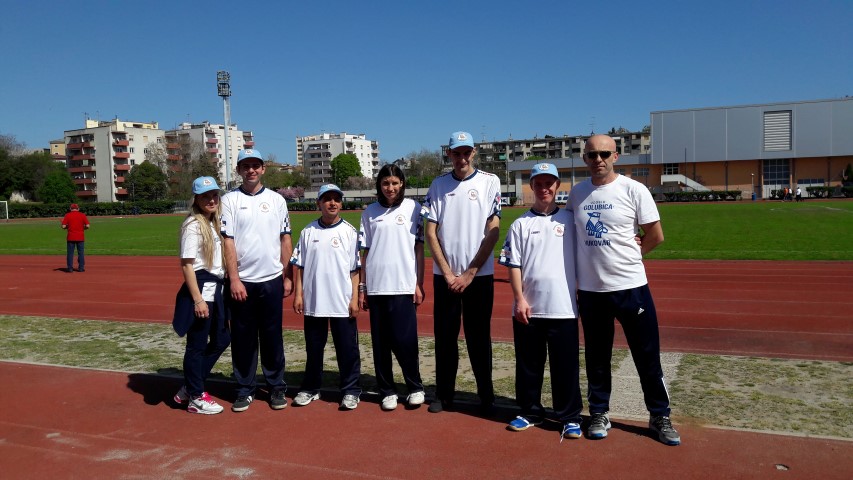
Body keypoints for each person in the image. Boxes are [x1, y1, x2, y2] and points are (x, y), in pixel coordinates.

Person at [568, 134, 681, 446]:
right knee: (597, 357)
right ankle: (599, 412)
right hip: (591, 291)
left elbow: (656, 235)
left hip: (631, 288)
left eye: (604, 154)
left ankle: (659, 415)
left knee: (647, 356)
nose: (598, 160)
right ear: (584, 158)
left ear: (616, 156)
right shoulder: (577, 193)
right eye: (592, 155)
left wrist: (633, 254)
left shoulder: (634, 189)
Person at [499, 163, 583, 439]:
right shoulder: (520, 224)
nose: (544, 188)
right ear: (531, 186)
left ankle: (569, 416)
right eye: (539, 184)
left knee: (565, 367)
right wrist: (519, 299)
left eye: (549, 183)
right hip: (529, 309)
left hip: (564, 308)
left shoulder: (570, 220)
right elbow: (514, 265)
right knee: (529, 366)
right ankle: (530, 411)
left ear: (557, 186)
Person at [422, 131, 501, 416]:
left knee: (479, 338)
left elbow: (493, 231)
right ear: (449, 154)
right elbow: (431, 232)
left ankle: (486, 396)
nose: (462, 158)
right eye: (456, 153)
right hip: (445, 278)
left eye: (466, 152)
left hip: (479, 277)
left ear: (474, 152)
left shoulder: (490, 181)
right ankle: (444, 394)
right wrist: (447, 273)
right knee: (445, 338)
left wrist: (469, 272)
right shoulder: (438, 185)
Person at [221, 149, 292, 412]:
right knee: (243, 338)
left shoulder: (277, 200)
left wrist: (286, 276)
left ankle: (276, 387)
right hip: (243, 282)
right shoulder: (229, 200)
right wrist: (234, 279)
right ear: (239, 170)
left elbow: (285, 238)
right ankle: (244, 389)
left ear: (263, 169)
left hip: (271, 279)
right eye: (246, 166)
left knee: (273, 337)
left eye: (255, 165)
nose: (251, 170)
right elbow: (227, 241)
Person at [358, 165, 426, 411]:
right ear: (379, 185)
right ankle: (387, 390)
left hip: (403, 286)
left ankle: (415, 387)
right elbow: (365, 253)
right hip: (377, 287)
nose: (390, 188)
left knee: (406, 341)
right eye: (386, 183)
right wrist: (362, 287)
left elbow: (419, 249)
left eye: (395, 183)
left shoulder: (413, 208)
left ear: (402, 183)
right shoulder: (369, 212)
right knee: (381, 343)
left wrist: (418, 283)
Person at [291, 184, 362, 410]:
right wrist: (298, 294)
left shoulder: (349, 232)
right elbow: (300, 266)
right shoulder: (308, 231)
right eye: (327, 199)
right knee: (313, 349)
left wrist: (354, 299)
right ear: (319, 203)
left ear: (341, 203)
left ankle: (350, 390)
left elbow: (355, 270)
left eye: (336, 199)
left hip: (342, 302)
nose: (332, 203)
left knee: (347, 350)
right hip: (314, 302)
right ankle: (311, 388)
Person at [172, 176, 231, 415]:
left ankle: (190, 386)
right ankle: (196, 396)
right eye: (205, 196)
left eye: (214, 195)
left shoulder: (212, 223)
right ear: (196, 199)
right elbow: (187, 265)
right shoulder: (193, 225)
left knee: (222, 339)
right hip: (201, 288)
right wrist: (198, 300)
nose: (211, 200)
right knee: (196, 345)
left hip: (216, 289)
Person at [61, 203, 90, 272]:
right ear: (78, 208)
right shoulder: (82, 215)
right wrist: (83, 228)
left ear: (70, 209)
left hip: (71, 237)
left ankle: (70, 268)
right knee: (81, 253)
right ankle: (81, 268)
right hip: (80, 237)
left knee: (70, 253)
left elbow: (63, 226)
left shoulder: (67, 215)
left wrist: (68, 227)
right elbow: (88, 226)